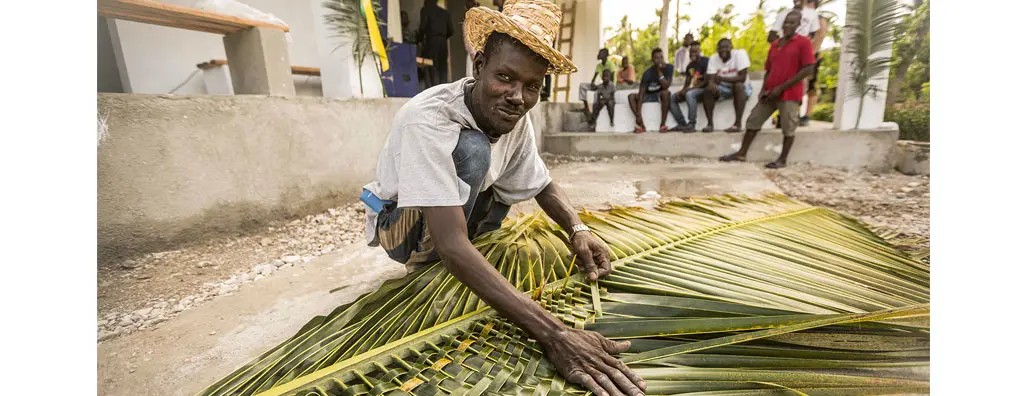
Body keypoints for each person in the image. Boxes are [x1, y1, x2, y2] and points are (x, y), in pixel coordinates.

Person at [360, 2, 647, 396]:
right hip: (400, 227)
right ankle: (427, 268)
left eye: (532, 86)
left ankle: (472, 260)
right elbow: (451, 242)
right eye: (505, 77)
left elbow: (542, 184)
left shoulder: (514, 115)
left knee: (501, 165)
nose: (518, 96)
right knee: (476, 152)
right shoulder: (427, 120)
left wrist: (578, 229)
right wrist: (557, 335)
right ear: (478, 66)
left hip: (449, 221)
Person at [720, 10, 816, 169]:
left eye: (792, 23)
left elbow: (808, 69)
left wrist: (782, 87)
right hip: (770, 92)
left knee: (788, 126)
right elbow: (769, 70)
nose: (787, 25)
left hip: (790, 93)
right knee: (753, 120)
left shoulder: (803, 43)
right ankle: (741, 153)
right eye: (786, 22)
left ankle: (782, 159)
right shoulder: (775, 44)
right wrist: (764, 89)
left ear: (798, 24)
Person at [703, 38, 752, 132]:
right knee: (708, 90)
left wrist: (721, 78)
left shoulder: (740, 54)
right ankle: (710, 124)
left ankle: (737, 124)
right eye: (720, 48)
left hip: (743, 88)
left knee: (738, 85)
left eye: (726, 47)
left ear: (731, 47)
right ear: (717, 49)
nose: (723, 50)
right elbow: (711, 79)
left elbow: (742, 78)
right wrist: (711, 83)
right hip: (724, 88)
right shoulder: (713, 58)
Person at [628, 47, 673, 133]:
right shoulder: (647, 73)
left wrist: (660, 72)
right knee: (631, 97)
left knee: (666, 93)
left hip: (660, 95)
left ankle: (662, 125)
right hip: (648, 95)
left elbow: (666, 86)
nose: (659, 60)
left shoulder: (669, 68)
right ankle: (641, 125)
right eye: (656, 58)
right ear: (652, 60)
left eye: (661, 57)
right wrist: (638, 114)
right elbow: (641, 94)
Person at [668, 44, 709, 132]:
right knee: (673, 98)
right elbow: (687, 83)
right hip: (695, 89)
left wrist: (689, 89)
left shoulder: (706, 61)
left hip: (706, 89)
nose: (692, 54)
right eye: (691, 52)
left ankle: (692, 124)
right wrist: (682, 91)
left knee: (690, 94)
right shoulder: (690, 66)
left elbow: (706, 81)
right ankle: (682, 124)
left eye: (695, 52)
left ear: (699, 52)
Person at [801, 0, 829, 125]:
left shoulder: (819, 19)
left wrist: (811, 55)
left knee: (810, 85)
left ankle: (807, 116)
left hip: (811, 56)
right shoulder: (799, 17)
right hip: (797, 55)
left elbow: (820, 35)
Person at [418, 0, 454, 88]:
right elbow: (451, 30)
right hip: (443, 42)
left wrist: (418, 40)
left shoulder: (425, 10)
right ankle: (444, 89)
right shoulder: (444, 13)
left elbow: (423, 27)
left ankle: (432, 89)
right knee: (442, 67)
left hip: (431, 41)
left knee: (430, 66)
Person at [577, 48, 619, 113]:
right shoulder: (598, 66)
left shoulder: (611, 65)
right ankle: (586, 108)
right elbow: (593, 79)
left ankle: (595, 112)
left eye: (600, 53)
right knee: (582, 86)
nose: (598, 54)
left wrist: (600, 87)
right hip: (601, 86)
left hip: (609, 87)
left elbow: (612, 81)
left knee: (596, 94)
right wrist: (592, 83)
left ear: (605, 55)